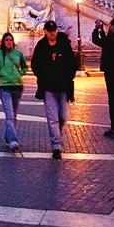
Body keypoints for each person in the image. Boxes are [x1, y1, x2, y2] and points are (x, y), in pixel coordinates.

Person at [31, 21, 77, 159]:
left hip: (63, 87)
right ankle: (56, 146)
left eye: (54, 30)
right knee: (53, 119)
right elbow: (35, 64)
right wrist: (43, 77)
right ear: (45, 31)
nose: (52, 33)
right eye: (49, 31)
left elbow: (72, 63)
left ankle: (57, 135)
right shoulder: (41, 46)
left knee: (62, 117)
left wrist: (69, 76)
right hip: (48, 87)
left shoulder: (64, 44)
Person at [0, 32, 28, 154]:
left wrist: (19, 74)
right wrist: (2, 74)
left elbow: (25, 67)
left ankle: (7, 136)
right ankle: (13, 141)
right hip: (4, 87)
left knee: (13, 116)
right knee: (10, 115)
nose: (9, 42)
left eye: (11, 40)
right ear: (3, 41)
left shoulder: (18, 54)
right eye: (7, 40)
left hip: (17, 87)